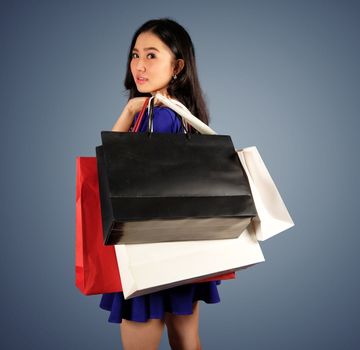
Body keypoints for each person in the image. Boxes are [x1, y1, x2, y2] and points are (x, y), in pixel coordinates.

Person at [99, 18, 219, 350]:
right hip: (184, 250)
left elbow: (110, 172)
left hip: (148, 255)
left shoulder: (157, 115)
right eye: (135, 55)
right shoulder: (183, 115)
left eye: (152, 55)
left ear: (177, 65)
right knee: (188, 342)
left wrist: (126, 115)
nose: (139, 65)